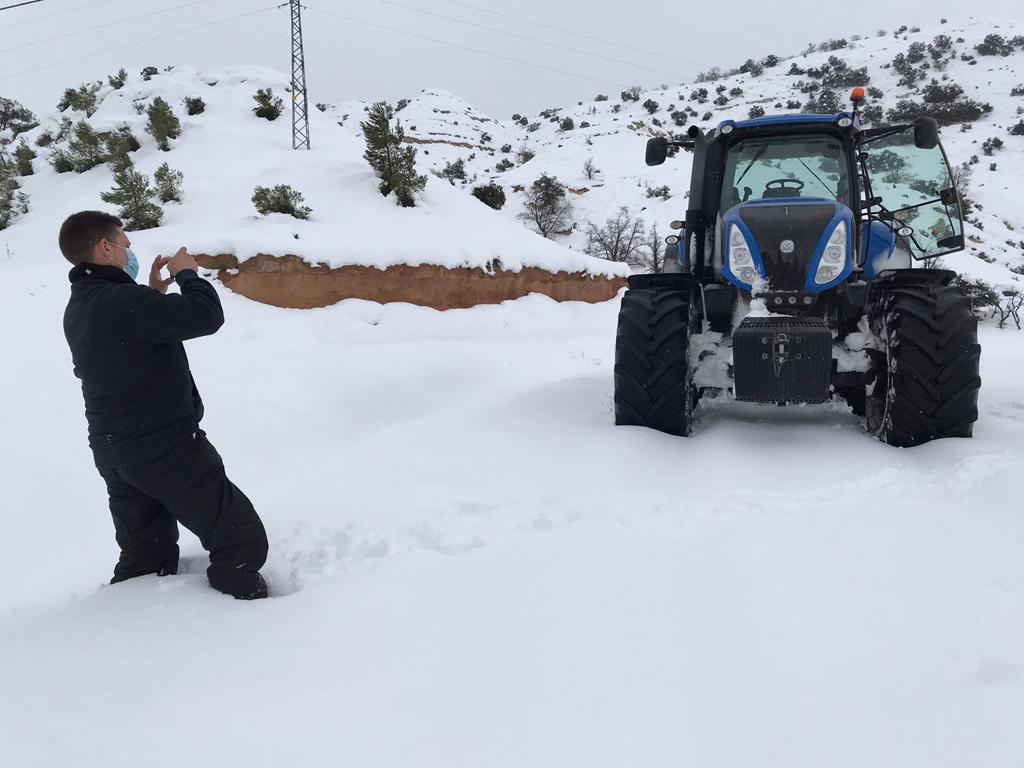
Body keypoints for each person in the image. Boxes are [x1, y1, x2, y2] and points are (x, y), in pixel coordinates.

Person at [60, 210, 269, 600]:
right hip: (166, 448)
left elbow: (125, 343)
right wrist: (188, 274)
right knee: (240, 540)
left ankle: (123, 622)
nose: (130, 252)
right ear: (105, 247)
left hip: (116, 454)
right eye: (125, 245)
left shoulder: (82, 306)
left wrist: (153, 295)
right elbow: (206, 316)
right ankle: (251, 618)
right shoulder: (122, 302)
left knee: (146, 556)